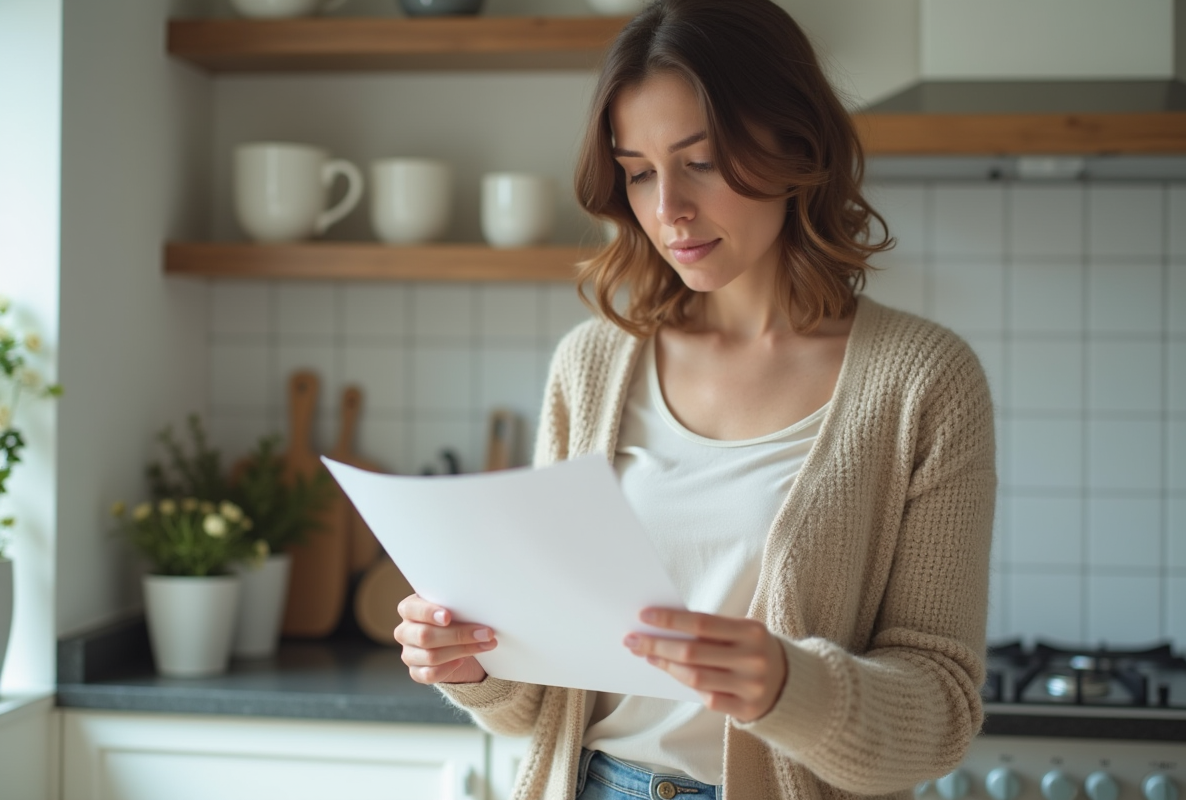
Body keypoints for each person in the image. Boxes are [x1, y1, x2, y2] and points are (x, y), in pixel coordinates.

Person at [394, 1, 996, 799]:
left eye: (701, 161)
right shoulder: (591, 366)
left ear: (795, 144)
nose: (667, 208)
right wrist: (473, 667)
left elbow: (943, 711)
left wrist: (791, 687)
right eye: (639, 172)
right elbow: (535, 699)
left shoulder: (924, 381)